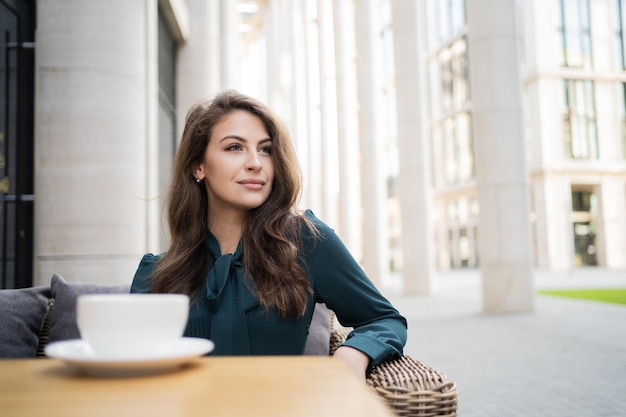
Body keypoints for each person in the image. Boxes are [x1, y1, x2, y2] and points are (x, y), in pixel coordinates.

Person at [131, 90, 407, 379]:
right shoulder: (157, 274)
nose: (256, 163)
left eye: (265, 149)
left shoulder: (305, 242)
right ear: (198, 166)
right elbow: (130, 364)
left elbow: (385, 319)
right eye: (235, 147)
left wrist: (354, 352)